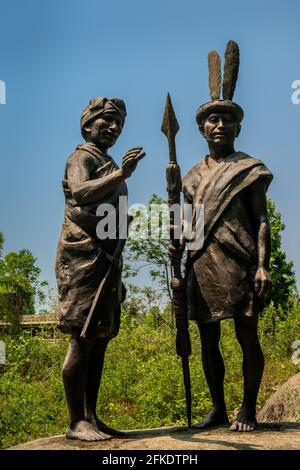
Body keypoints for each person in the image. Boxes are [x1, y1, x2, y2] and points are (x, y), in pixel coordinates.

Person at [170, 41, 273, 432]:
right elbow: (187, 221)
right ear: (201, 129)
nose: (218, 125)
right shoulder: (191, 176)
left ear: (237, 127)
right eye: (211, 120)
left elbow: (261, 220)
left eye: (226, 120)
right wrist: (177, 240)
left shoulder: (249, 169)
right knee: (207, 339)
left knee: (247, 334)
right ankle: (217, 407)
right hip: (202, 264)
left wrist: (262, 266)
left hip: (240, 261)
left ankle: (247, 408)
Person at [55, 96, 145, 441]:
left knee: (100, 338)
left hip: (109, 257)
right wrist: (122, 173)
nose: (113, 128)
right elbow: (79, 193)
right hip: (82, 258)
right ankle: (75, 419)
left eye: (119, 124)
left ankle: (91, 416)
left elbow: (114, 215)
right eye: (107, 120)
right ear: (88, 123)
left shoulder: (107, 163)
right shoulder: (81, 158)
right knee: (82, 336)